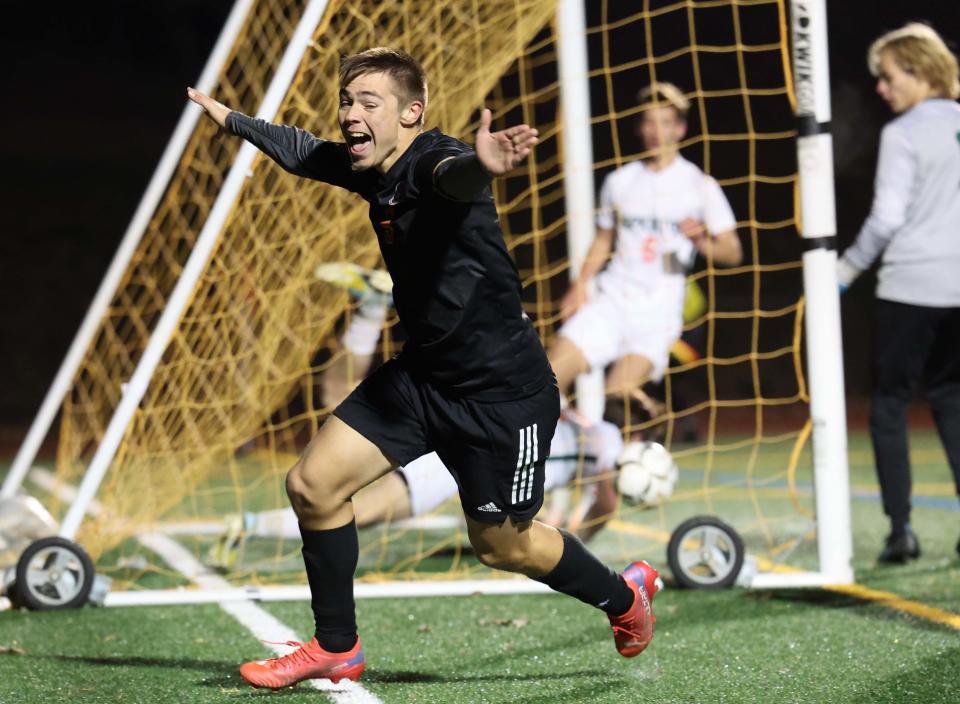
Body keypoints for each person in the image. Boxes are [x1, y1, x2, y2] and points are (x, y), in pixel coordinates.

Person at [188, 47, 660, 689]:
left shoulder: (432, 161)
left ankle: (625, 597)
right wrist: (232, 119)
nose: (351, 115)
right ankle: (336, 647)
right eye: (347, 103)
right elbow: (302, 150)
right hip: (422, 379)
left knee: (502, 547)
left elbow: (453, 175)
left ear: (412, 113)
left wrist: (483, 163)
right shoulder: (371, 168)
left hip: (502, 398)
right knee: (312, 486)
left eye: (368, 103)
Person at [836, 23, 960, 564]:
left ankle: (901, 531)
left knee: (888, 406)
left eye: (888, 77)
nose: (881, 89)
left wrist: (843, 270)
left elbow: (887, 218)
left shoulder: (903, 132)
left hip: (910, 285)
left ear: (919, 70)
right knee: (953, 402)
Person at [548, 82, 742, 427]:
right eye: (650, 122)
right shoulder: (621, 181)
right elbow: (604, 239)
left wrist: (701, 240)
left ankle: (648, 426)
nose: (657, 131)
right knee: (544, 379)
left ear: (680, 128)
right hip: (611, 302)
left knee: (617, 398)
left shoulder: (699, 185)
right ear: (640, 127)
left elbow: (733, 252)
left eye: (666, 122)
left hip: (657, 315)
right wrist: (579, 286)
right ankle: (571, 442)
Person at [208, 413, 627, 569]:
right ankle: (248, 525)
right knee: (359, 510)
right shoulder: (607, 444)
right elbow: (605, 504)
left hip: (463, 456)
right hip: (450, 469)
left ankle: (248, 525)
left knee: (355, 506)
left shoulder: (587, 427)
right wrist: (582, 544)